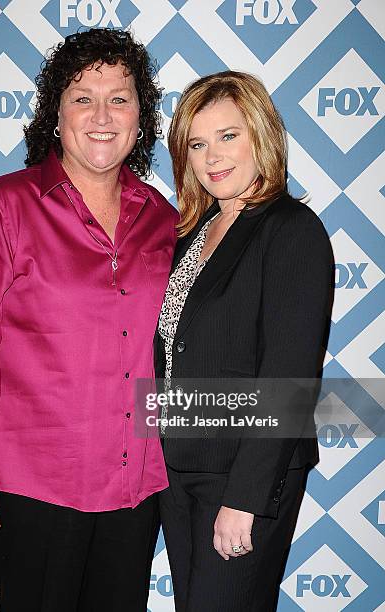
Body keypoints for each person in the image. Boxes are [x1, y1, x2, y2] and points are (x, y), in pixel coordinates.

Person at [0, 28, 179, 611]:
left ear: (140, 117)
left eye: (119, 98)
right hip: (33, 493)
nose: (102, 114)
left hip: (136, 491)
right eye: (82, 97)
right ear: (54, 113)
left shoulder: (163, 218)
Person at [154, 71, 333, 611]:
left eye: (228, 136)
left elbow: (290, 377)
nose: (213, 156)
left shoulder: (291, 229)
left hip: (243, 477)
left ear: (262, 134)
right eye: (198, 143)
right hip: (176, 469)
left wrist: (245, 499)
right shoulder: (190, 232)